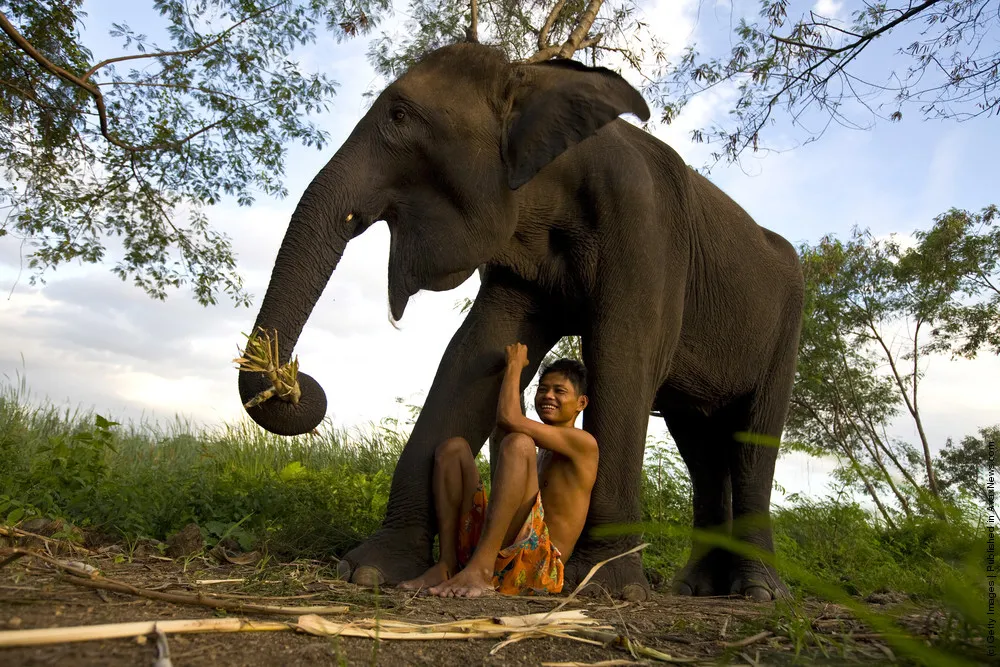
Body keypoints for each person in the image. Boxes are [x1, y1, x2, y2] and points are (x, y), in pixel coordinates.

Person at [398, 342, 598, 597]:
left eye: (560, 391)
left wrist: (515, 365)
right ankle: (446, 564)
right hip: (505, 551)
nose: (548, 396)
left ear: (581, 403)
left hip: (539, 567)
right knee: (454, 450)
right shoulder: (543, 449)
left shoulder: (583, 443)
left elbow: (509, 419)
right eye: (543, 389)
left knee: (518, 441)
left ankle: (480, 570)